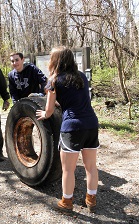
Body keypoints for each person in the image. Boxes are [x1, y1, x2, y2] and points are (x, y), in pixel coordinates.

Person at [36, 46, 100, 213]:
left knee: (68, 169)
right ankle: (91, 199)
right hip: (91, 123)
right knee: (91, 167)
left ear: (56, 61)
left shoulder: (54, 80)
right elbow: (76, 98)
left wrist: (44, 112)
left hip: (72, 127)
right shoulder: (81, 78)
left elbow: (49, 111)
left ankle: (67, 201)